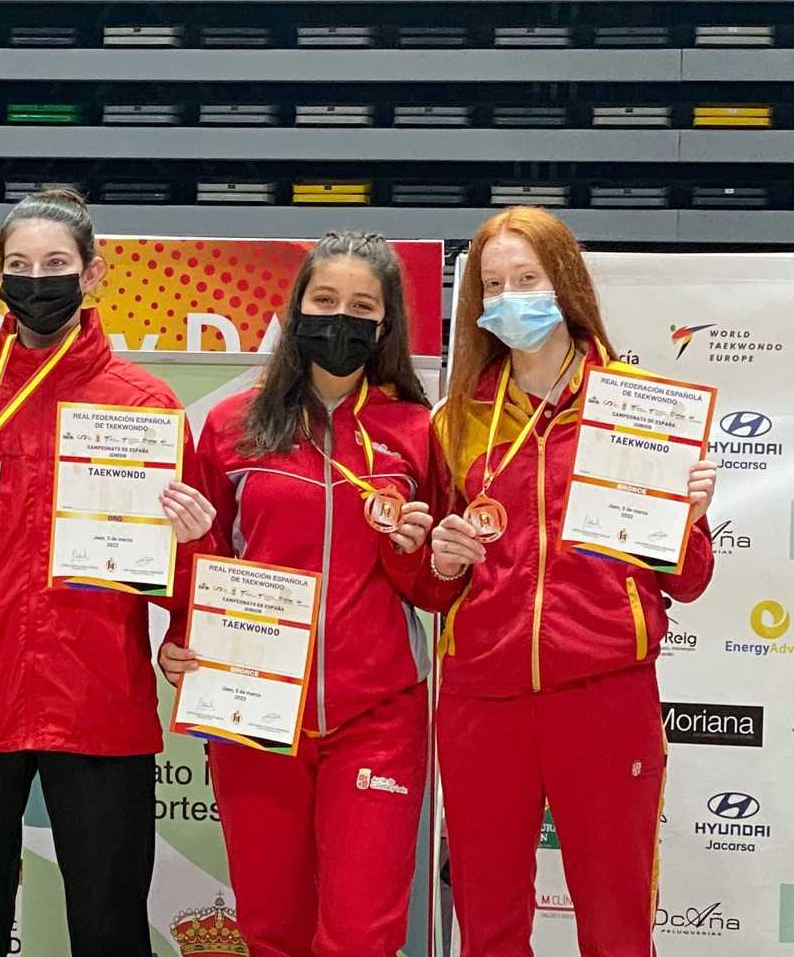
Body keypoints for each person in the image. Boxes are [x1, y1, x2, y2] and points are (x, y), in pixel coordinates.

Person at [0, 189, 217, 957]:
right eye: (20, 265)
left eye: (56, 265)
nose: (37, 280)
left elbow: (184, 569)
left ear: (93, 274)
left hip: (97, 701)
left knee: (109, 932)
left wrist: (190, 565)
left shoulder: (145, 404)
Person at [422, 207, 717, 956]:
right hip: (482, 697)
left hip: (604, 692)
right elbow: (431, 587)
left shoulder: (638, 409)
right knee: (488, 923)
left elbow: (688, 583)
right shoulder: (455, 419)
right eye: (494, 285)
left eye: (528, 279)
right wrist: (443, 557)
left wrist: (686, 517)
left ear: (567, 284)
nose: (511, 297)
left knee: (616, 923)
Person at [159, 231, 443, 957]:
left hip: (377, 714)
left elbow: (434, 592)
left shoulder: (414, 432)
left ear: (384, 326)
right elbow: (202, 568)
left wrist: (416, 553)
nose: (339, 319)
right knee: (272, 930)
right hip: (256, 712)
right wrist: (179, 636)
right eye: (324, 301)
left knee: (360, 936)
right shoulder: (231, 425)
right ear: (297, 309)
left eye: (360, 307)